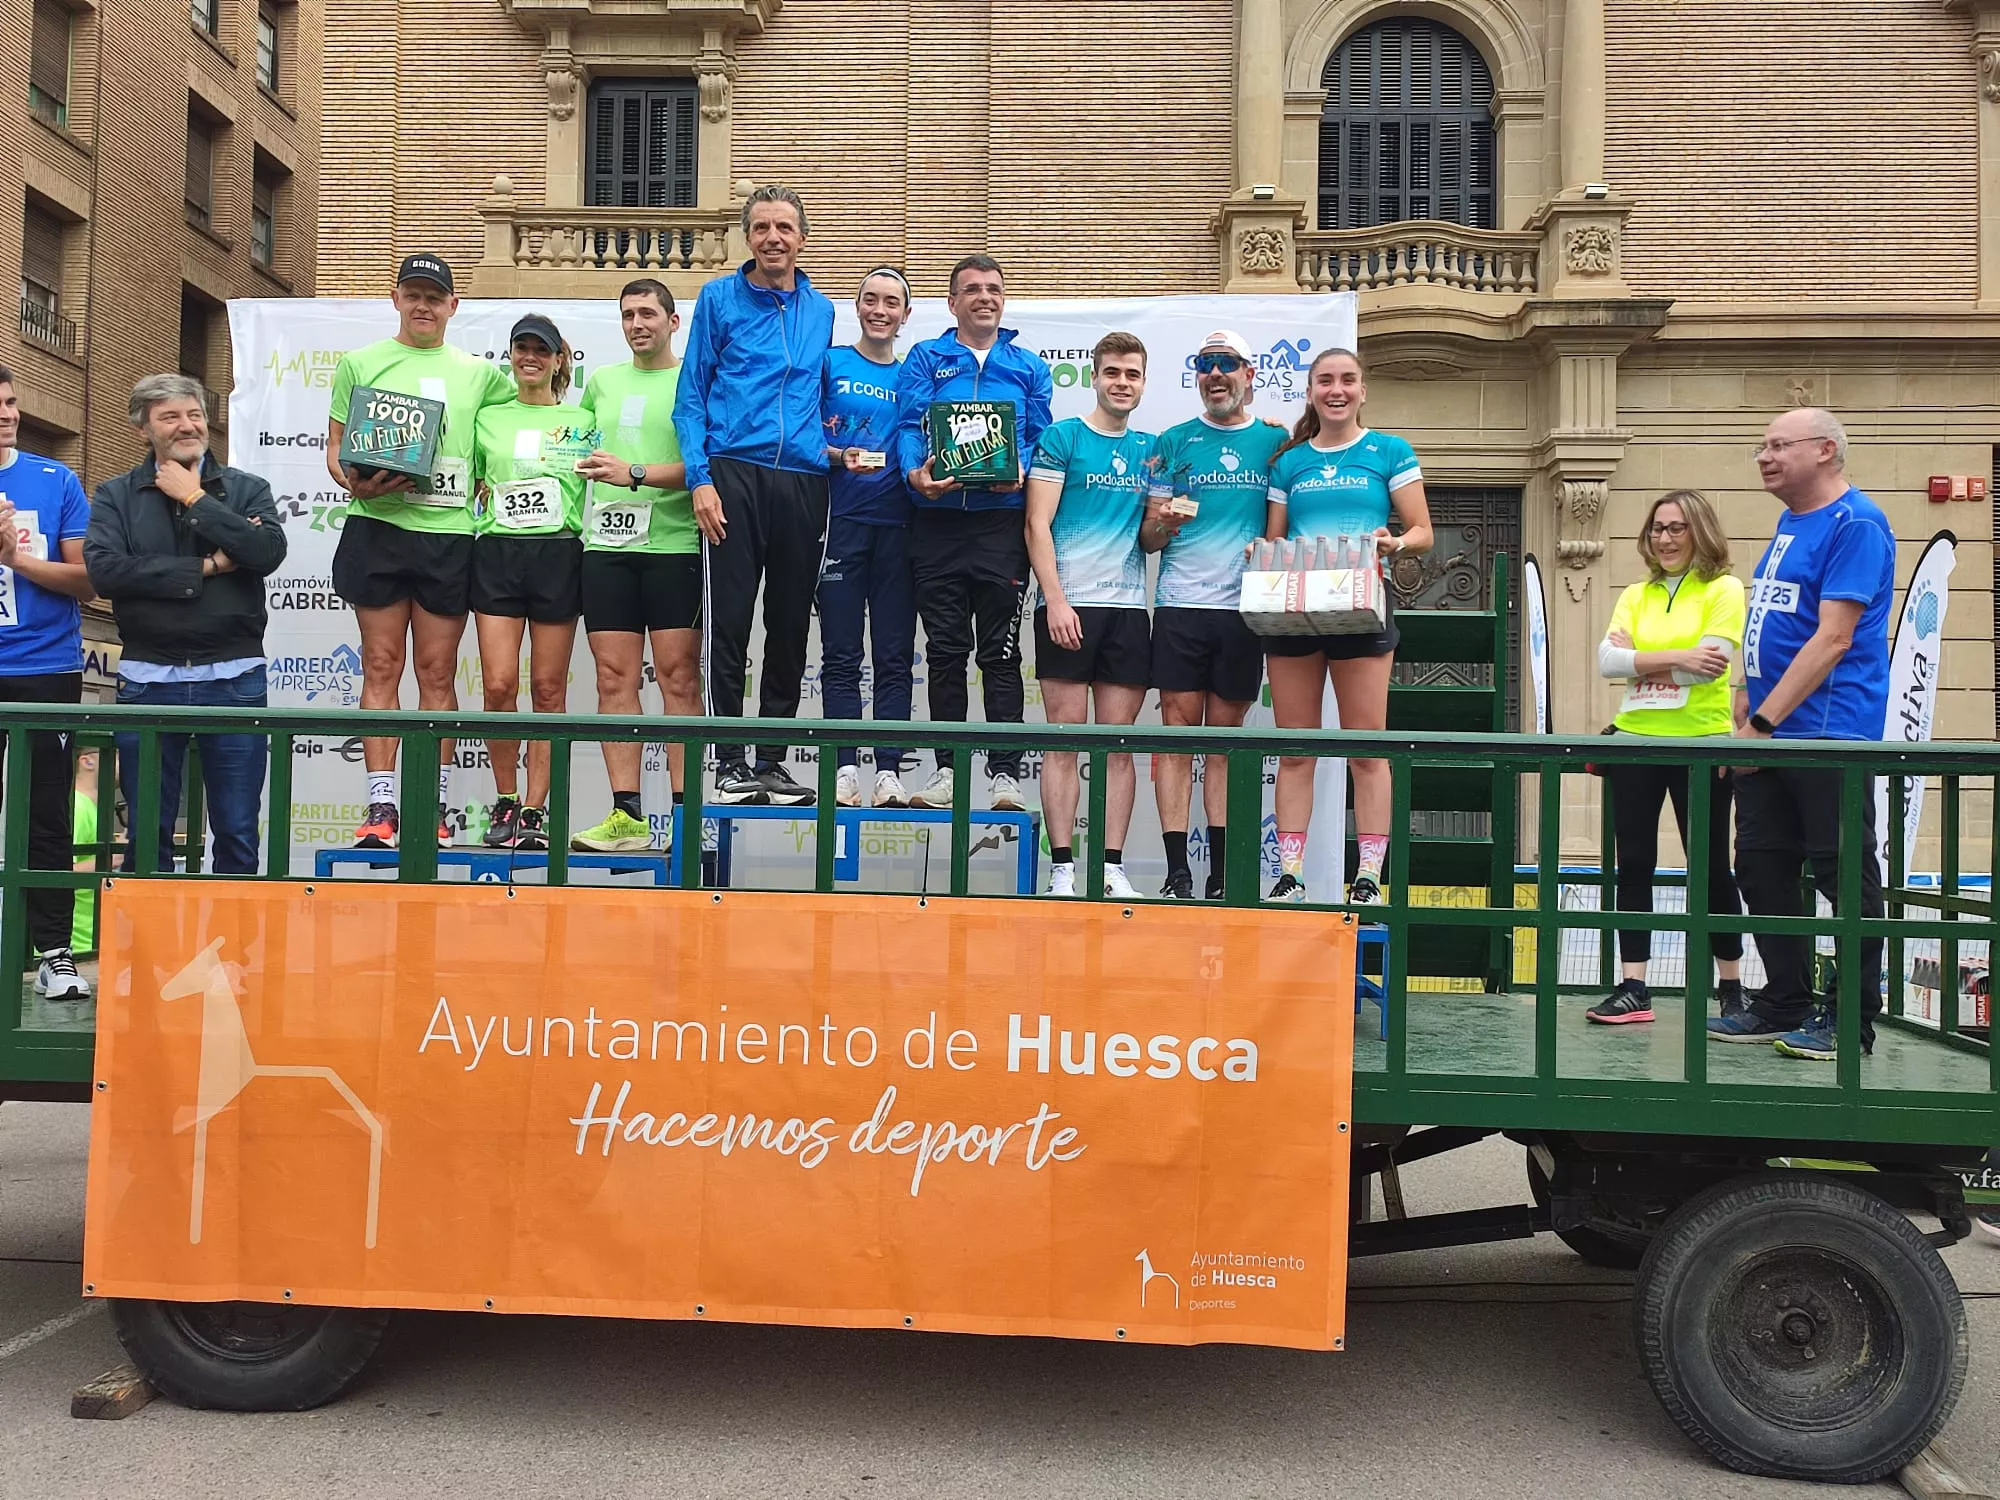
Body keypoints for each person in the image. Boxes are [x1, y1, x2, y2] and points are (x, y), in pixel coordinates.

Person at [1708, 408, 1895, 1061]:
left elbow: (1834, 638)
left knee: (1843, 876)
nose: (1764, 455)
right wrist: (1743, 706)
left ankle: (1850, 1019)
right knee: (1760, 865)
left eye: (1779, 445)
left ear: (1825, 451)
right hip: (1772, 735)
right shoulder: (1792, 523)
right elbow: (1768, 623)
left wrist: (1759, 725)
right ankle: (1783, 999)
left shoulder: (1858, 524)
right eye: (1763, 444)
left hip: (1828, 733)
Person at [325, 252, 514, 850]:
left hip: (447, 533)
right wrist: (352, 480)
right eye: (413, 293)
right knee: (382, 666)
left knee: (436, 672)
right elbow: (334, 449)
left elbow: (508, 436)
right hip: (376, 527)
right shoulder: (359, 363)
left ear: (453, 306)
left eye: (435, 296)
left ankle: (433, 806)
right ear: (396, 299)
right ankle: (381, 808)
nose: (423, 305)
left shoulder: (482, 375)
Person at [84, 374, 286, 876]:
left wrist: (196, 499)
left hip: (235, 679)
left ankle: (233, 956)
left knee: (238, 831)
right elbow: (107, 571)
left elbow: (265, 552)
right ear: (143, 429)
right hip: (149, 679)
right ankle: (150, 956)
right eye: (169, 416)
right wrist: (209, 567)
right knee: (146, 833)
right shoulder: (116, 495)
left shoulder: (244, 489)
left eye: (193, 414)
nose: (186, 425)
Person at [675, 186, 835, 807]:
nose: (774, 237)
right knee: (730, 621)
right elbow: (691, 396)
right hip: (732, 473)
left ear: (801, 237)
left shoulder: (820, 310)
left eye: (785, 227)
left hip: (802, 480)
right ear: (749, 236)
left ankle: (771, 759)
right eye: (763, 227)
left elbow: (821, 396)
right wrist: (701, 478)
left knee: (791, 623)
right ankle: (730, 759)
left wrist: (835, 449)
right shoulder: (719, 299)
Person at [1261, 348, 1432, 905]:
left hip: (1362, 606)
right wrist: (1261, 553)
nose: (1337, 390)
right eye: (1325, 381)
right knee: (1296, 749)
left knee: (1365, 748)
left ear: (1363, 390)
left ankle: (1367, 876)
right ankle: (1290, 874)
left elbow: (1423, 531)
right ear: (1310, 391)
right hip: (1296, 610)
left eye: (1348, 381)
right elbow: (1276, 538)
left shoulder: (1389, 450)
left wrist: (1396, 542)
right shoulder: (1289, 462)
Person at [894, 255, 1053, 812]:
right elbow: (909, 426)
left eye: (993, 289)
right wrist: (917, 474)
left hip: (1000, 525)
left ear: (1003, 299)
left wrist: (1023, 467)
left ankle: (1005, 774)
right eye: (972, 290)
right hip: (936, 523)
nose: (984, 297)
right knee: (943, 651)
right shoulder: (925, 357)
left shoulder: (1028, 366)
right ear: (953, 302)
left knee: (1001, 655)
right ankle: (946, 770)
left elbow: (1039, 435)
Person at [1590, 490, 1747, 1025]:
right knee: (1633, 863)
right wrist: (1678, 655)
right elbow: (1607, 662)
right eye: (1658, 528)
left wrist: (1640, 662)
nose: (1665, 538)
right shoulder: (1636, 592)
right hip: (1635, 739)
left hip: (1702, 744)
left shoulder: (1725, 589)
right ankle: (1634, 986)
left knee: (1709, 866)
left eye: (1677, 528)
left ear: (1700, 531)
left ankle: (1731, 986)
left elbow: (1714, 667)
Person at [1143, 331, 1286, 901]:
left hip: (1241, 609)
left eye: (1227, 364)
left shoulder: (1276, 442)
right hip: (1180, 603)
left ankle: (1222, 875)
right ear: (1197, 375)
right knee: (1177, 736)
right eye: (1206, 365)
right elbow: (1149, 537)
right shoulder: (1172, 441)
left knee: (1225, 740)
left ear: (1250, 373)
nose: (1216, 374)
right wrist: (1164, 525)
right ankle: (1178, 873)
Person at [572, 280, 703, 851]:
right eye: (627, 315)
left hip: (674, 546)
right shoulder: (600, 381)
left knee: (678, 679)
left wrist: (638, 473)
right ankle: (626, 816)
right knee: (612, 680)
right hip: (606, 548)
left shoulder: (692, 380)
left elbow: (704, 465)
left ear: (674, 323)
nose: (636, 323)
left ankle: (683, 815)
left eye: (648, 313)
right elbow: (574, 452)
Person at [1024, 333, 1153, 898]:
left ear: (1143, 383)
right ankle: (1062, 867)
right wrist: (1054, 599)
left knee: (1118, 745)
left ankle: (1112, 866)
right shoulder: (1063, 437)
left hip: (1127, 610)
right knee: (1064, 743)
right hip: (1068, 605)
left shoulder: (1152, 449)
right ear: (1094, 377)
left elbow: (1150, 537)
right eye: (1112, 373)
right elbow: (1036, 525)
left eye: (1132, 374)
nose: (1121, 383)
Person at [468, 313, 587, 852]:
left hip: (558, 551)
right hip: (496, 553)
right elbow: (467, 480)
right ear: (511, 356)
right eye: (522, 348)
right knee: (497, 685)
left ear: (560, 360)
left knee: (548, 689)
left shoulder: (579, 420)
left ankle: (537, 809)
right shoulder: (487, 418)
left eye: (543, 350)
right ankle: (507, 797)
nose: (531, 357)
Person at [0, 367, 95, 999]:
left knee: (45, 814)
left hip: (43, 668)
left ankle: (54, 953)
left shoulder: (54, 478)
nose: (6, 413)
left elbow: (88, 580)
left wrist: (16, 559)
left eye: (9, 402)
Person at [820, 268, 919, 810]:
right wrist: (839, 457)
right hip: (841, 523)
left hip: (899, 528)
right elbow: (804, 431)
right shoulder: (831, 363)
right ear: (857, 308)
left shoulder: (912, 376)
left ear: (906, 316)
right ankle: (843, 769)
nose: (880, 310)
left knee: (894, 656)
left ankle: (887, 771)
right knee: (839, 654)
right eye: (871, 300)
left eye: (892, 303)